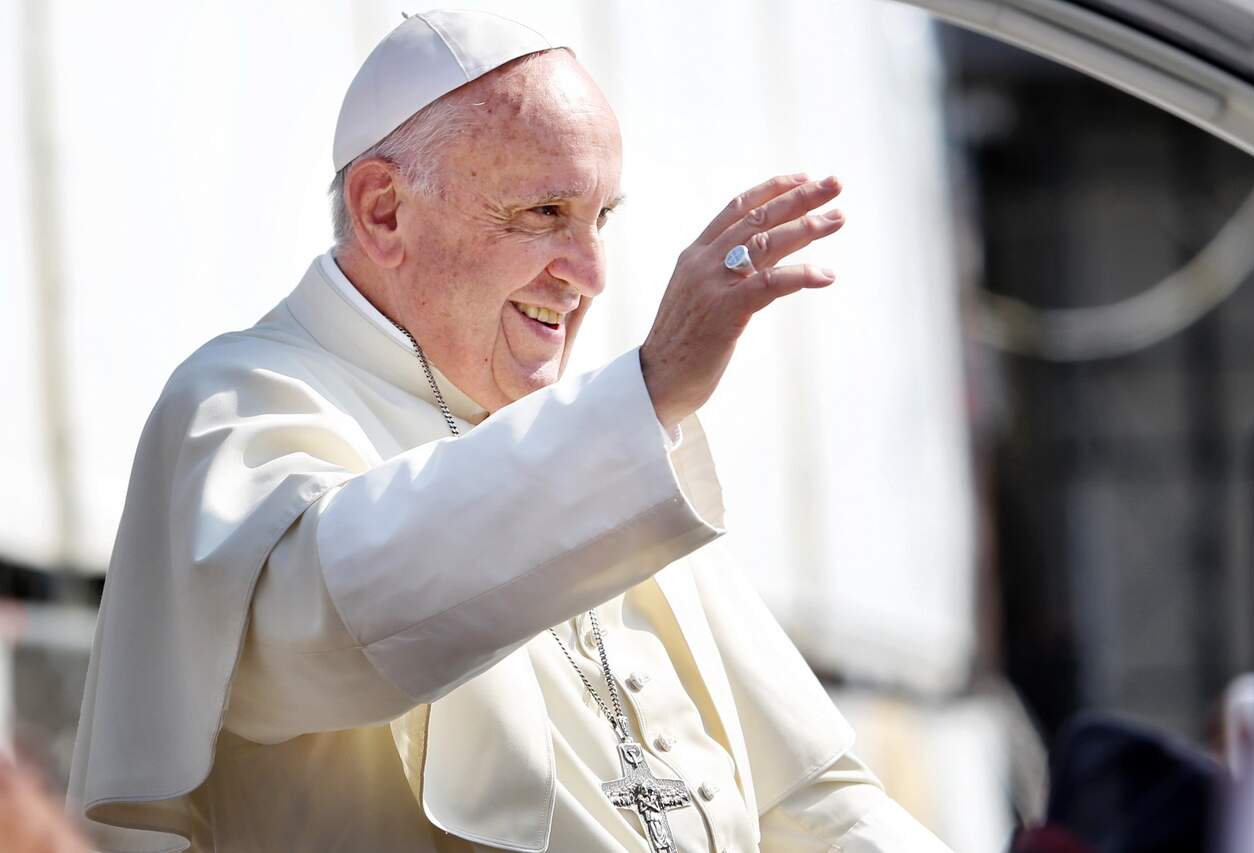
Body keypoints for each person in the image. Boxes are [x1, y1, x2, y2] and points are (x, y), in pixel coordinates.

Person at [68, 10, 953, 853]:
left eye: (602, 218)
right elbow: (321, 631)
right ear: (384, 212)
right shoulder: (242, 396)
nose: (593, 274)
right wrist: (642, 397)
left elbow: (809, 798)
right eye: (545, 214)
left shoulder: (602, 438)